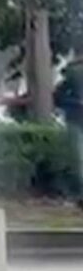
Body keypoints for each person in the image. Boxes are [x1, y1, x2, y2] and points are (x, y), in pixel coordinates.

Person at [55, 60, 83, 203]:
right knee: (79, 160)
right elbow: (58, 97)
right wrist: (76, 103)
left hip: (75, 120)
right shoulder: (74, 75)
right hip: (76, 120)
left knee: (79, 159)